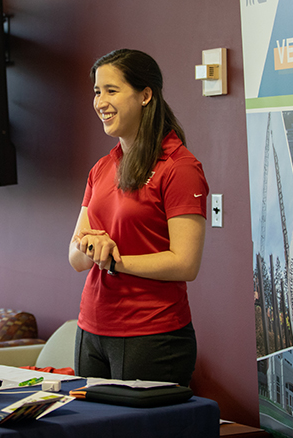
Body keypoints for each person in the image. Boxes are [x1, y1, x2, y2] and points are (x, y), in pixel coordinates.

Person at [68, 49, 208, 386]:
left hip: (152, 334)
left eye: (111, 90)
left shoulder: (179, 168)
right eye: (97, 91)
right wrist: (92, 245)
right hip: (91, 329)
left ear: (145, 95)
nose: (100, 101)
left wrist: (116, 260)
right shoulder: (102, 168)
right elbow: (75, 257)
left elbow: (186, 263)